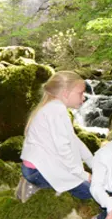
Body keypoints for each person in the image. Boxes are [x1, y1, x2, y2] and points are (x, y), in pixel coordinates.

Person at [17, 70, 94, 203]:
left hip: (35, 168)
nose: (84, 97)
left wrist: (93, 163)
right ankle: (36, 185)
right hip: (39, 171)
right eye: (81, 93)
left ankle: (35, 182)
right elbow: (63, 149)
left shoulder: (53, 107)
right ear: (65, 93)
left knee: (86, 183)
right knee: (91, 192)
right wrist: (83, 174)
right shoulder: (56, 110)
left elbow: (74, 141)